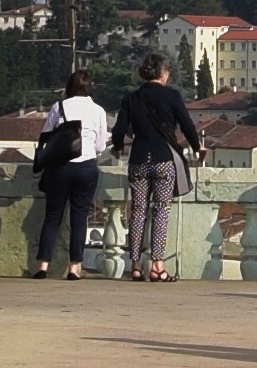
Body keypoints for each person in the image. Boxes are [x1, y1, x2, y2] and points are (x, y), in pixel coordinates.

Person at [111, 56, 201, 281]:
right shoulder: (172, 95)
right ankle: (157, 265)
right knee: (161, 210)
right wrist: (196, 147)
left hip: (139, 159)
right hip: (163, 159)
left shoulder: (131, 98)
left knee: (138, 211)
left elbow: (119, 129)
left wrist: (118, 147)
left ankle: (135, 265)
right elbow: (187, 124)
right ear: (163, 74)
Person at [29, 69, 109, 278]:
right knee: (79, 217)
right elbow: (101, 145)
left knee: (52, 217)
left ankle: (43, 265)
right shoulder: (98, 111)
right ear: (90, 87)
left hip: (60, 167)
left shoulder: (59, 106)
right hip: (86, 167)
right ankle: (74, 267)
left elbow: (46, 135)